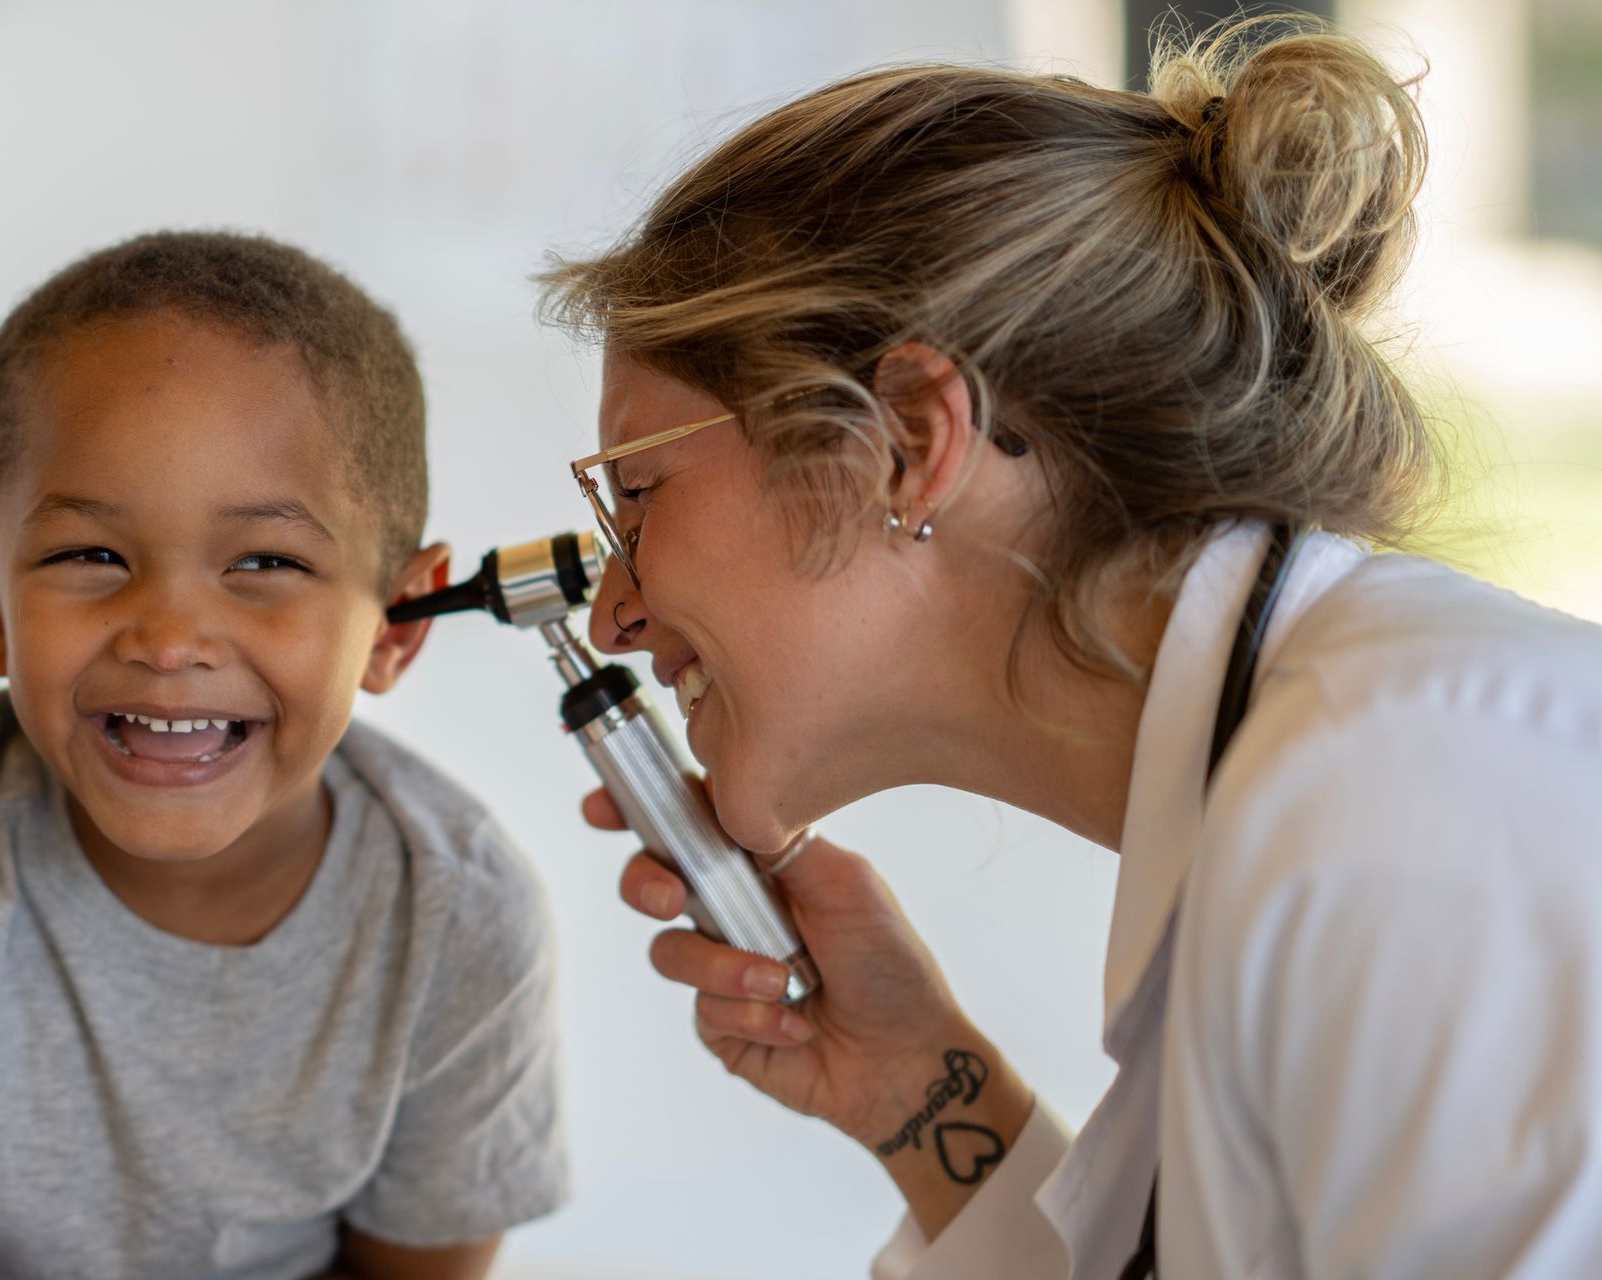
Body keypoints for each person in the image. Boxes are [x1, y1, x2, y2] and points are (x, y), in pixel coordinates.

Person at [542, 15, 1602, 1279]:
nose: (612, 611)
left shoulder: (1410, 817)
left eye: (639, 494)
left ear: (914, 436)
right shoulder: (1300, 797)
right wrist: (914, 1090)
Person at [0, 231, 567, 1280]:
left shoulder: (460, 909)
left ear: (396, 623)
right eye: (91, 554)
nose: (168, 639)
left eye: (266, 560)